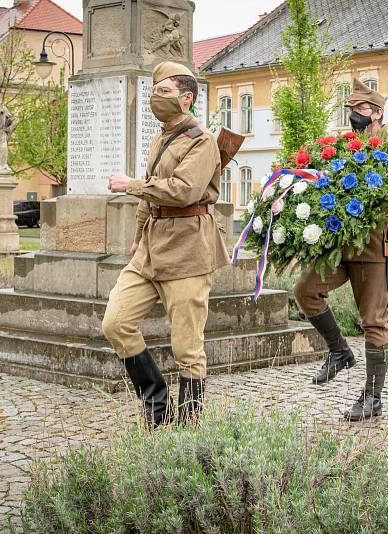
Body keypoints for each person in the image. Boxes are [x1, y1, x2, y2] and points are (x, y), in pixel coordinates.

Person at [103, 61, 229, 426]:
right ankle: (156, 402)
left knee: (187, 348)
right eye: (154, 91)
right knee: (116, 323)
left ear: (186, 99)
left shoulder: (202, 141)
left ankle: (187, 428)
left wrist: (131, 185)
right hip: (151, 248)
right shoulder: (160, 136)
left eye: (164, 92)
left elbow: (184, 190)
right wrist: (139, 234)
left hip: (189, 248)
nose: (155, 98)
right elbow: (152, 188)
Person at [293, 78, 388, 421]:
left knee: (374, 321)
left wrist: (373, 206)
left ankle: (372, 397)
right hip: (340, 244)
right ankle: (339, 351)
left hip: (376, 247)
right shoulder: (346, 146)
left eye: (361, 110)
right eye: (351, 110)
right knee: (305, 290)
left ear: (378, 112)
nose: (355, 116)